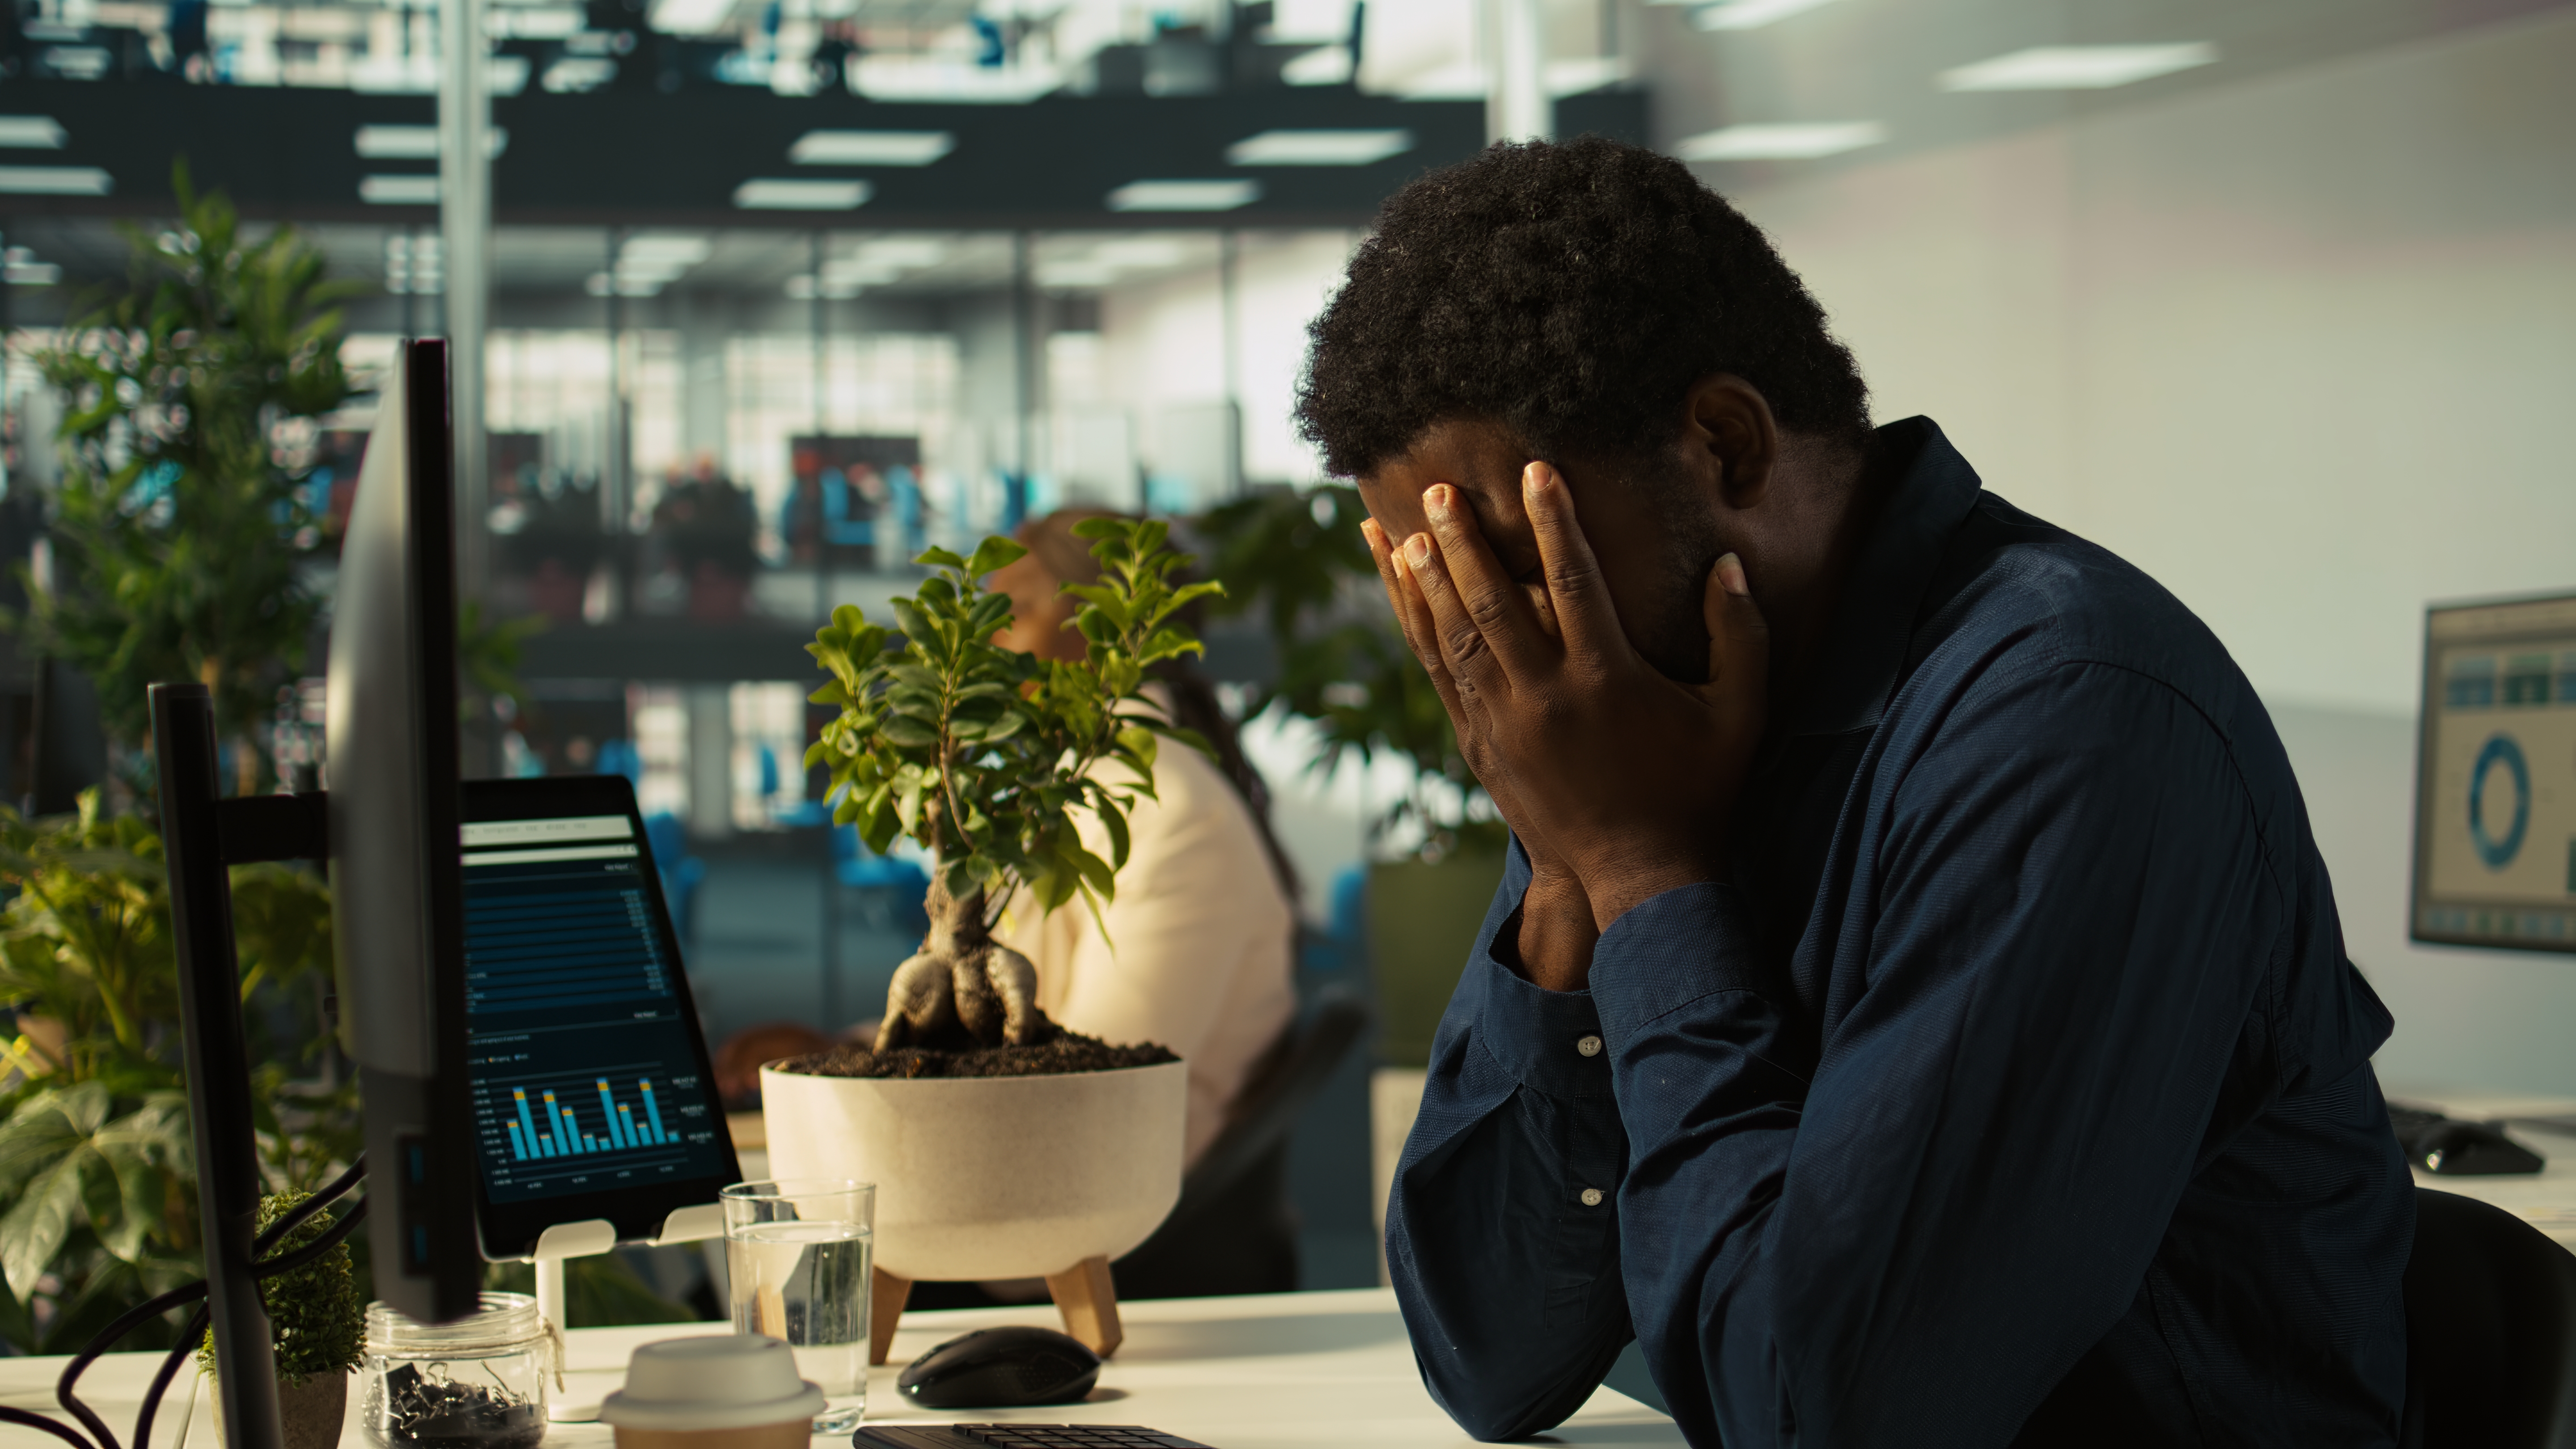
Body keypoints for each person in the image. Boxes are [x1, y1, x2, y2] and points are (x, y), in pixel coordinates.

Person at [1299, 138, 2412, 1447]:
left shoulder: (2071, 722)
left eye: (1511, 559)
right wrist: (1566, 872)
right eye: (1438, 577)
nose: (1492, 647)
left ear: (1726, 446)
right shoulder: (1640, 728)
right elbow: (1492, 1358)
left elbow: (1834, 1413)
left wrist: (1647, 876)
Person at [984, 507, 1302, 1295]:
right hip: (1048, 1199)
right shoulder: (1072, 794)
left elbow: (1097, 1094)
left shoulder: (1167, 815)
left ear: (1098, 625)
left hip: (1100, 1236)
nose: (988, 646)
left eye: (1014, 612)